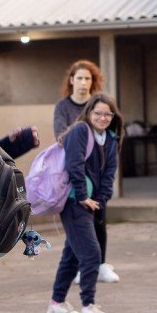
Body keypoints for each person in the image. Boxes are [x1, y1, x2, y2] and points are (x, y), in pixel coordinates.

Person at [46, 93, 122, 313]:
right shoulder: (80, 131)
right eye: (97, 113)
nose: (102, 117)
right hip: (74, 202)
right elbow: (74, 164)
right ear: (89, 113)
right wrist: (83, 195)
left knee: (71, 256)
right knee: (91, 254)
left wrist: (101, 200)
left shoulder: (110, 138)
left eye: (107, 114)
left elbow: (109, 174)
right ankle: (88, 306)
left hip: (92, 204)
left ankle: (56, 304)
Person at [52, 60, 119, 283]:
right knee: (80, 225)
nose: (83, 82)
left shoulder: (98, 105)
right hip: (75, 176)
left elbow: (108, 137)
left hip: (98, 173)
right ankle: (84, 266)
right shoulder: (63, 106)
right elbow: (61, 135)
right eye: (79, 78)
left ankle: (99, 265)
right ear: (71, 81)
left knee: (99, 219)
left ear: (94, 81)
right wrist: (80, 135)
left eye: (87, 78)